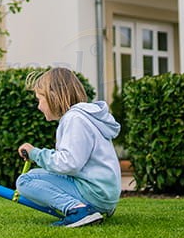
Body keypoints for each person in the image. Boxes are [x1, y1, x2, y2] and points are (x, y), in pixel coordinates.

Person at [16, 67, 121, 227]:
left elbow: (69, 163)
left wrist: (36, 154)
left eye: (40, 100)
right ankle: (92, 208)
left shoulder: (75, 119)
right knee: (33, 175)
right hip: (102, 192)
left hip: (95, 193)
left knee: (25, 181)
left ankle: (78, 211)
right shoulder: (85, 117)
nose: (39, 107)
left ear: (53, 96)